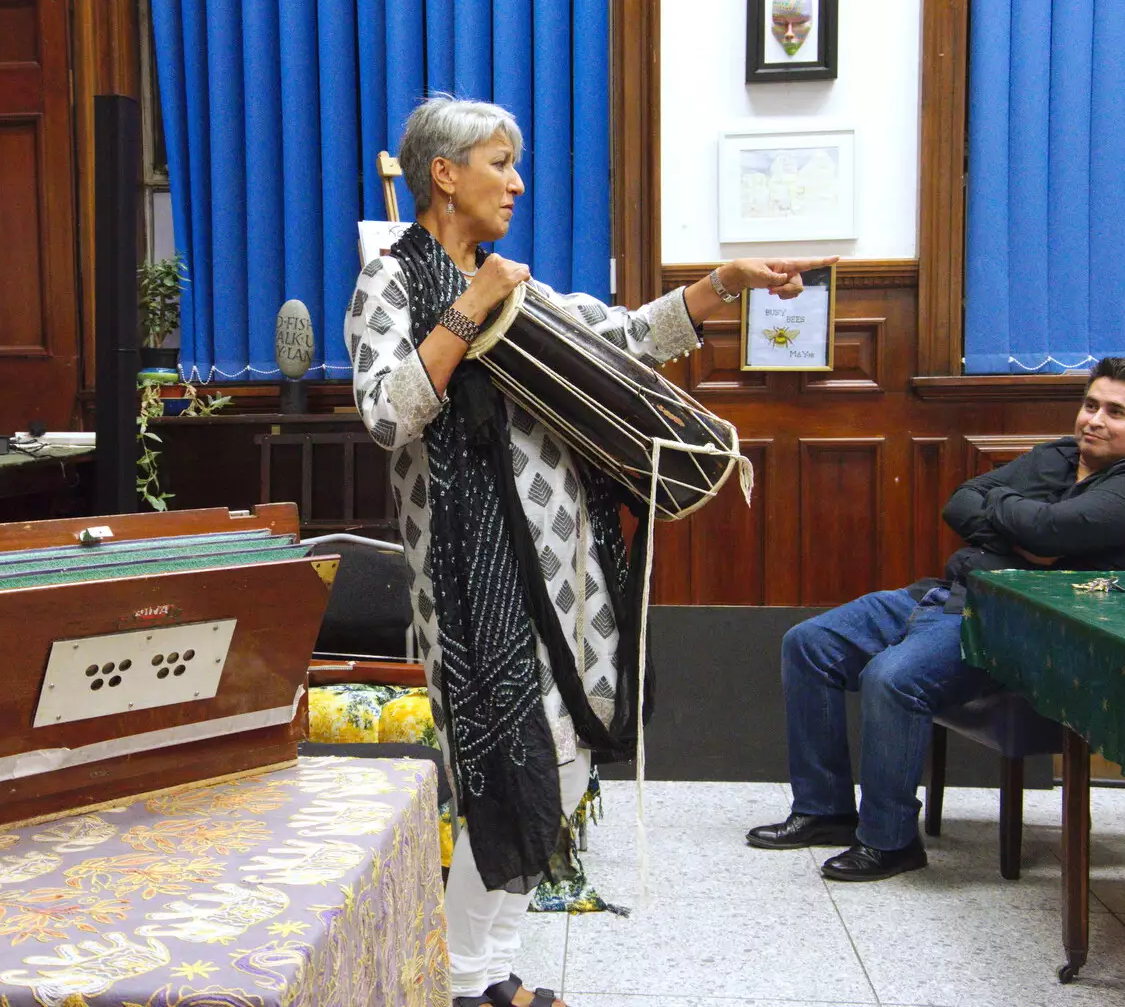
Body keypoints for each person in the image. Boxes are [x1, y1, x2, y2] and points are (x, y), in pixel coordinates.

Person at [346, 93, 834, 1007]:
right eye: (500, 163)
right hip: (471, 583)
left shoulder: (509, 281)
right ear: (443, 175)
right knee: (507, 775)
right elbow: (386, 411)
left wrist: (724, 282)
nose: (517, 181)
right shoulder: (394, 282)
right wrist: (466, 314)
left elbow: (624, 335)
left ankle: (488, 969)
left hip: (568, 571)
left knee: (564, 764)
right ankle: (461, 979)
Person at [747, 357, 1125, 881]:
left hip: (1017, 626)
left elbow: (1048, 531)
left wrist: (1016, 523)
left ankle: (890, 842)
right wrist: (1029, 533)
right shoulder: (1058, 457)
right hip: (948, 595)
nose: (1094, 421)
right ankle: (825, 809)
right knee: (809, 642)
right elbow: (961, 502)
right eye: (1090, 405)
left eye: (1115, 412)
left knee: (892, 679)